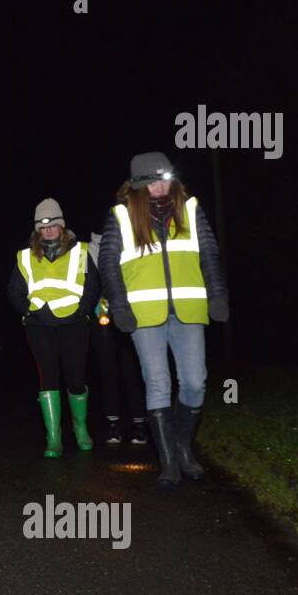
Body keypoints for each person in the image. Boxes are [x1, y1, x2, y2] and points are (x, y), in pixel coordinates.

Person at [97, 152, 229, 488]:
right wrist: (119, 306)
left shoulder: (191, 210)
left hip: (189, 309)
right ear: (139, 185)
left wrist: (218, 294)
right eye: (153, 181)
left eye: (165, 179)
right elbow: (109, 265)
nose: (160, 186)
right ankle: (169, 462)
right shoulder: (121, 217)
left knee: (196, 381)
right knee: (157, 383)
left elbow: (210, 255)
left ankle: (183, 447)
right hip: (144, 315)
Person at [7, 199, 100, 458]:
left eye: (53, 225)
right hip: (40, 326)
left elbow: (92, 285)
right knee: (48, 378)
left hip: (74, 324)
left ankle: (80, 428)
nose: (48, 230)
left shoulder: (80, 252)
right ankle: (54, 436)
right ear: (37, 230)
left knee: (76, 378)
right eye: (42, 226)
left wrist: (82, 310)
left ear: (62, 226)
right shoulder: (25, 256)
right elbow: (14, 290)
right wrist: (29, 311)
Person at [87, 233, 148, 447]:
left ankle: (140, 424)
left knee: (133, 370)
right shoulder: (88, 249)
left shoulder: (132, 240)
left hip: (130, 315)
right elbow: (89, 285)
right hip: (101, 317)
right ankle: (113, 424)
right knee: (108, 371)